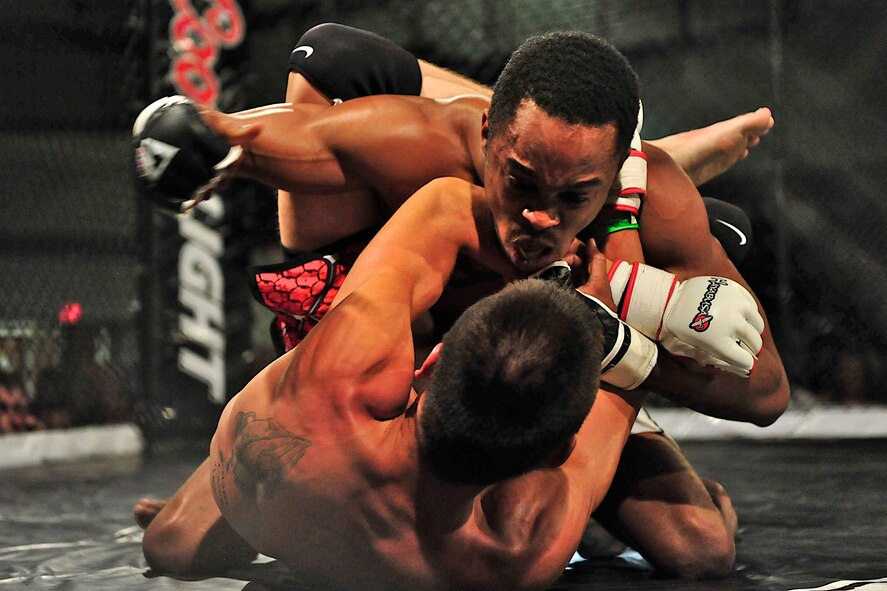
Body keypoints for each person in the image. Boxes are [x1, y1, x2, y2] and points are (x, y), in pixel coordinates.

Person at [134, 28, 789, 580]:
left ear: (619, 172)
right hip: (435, 363)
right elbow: (320, 140)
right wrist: (222, 143)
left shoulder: (655, 206)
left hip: (548, 379)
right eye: (519, 182)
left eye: (572, 198)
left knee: (697, 546)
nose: (536, 216)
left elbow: (764, 394)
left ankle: (676, 203)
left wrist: (616, 329)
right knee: (173, 545)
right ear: (486, 141)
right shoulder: (440, 159)